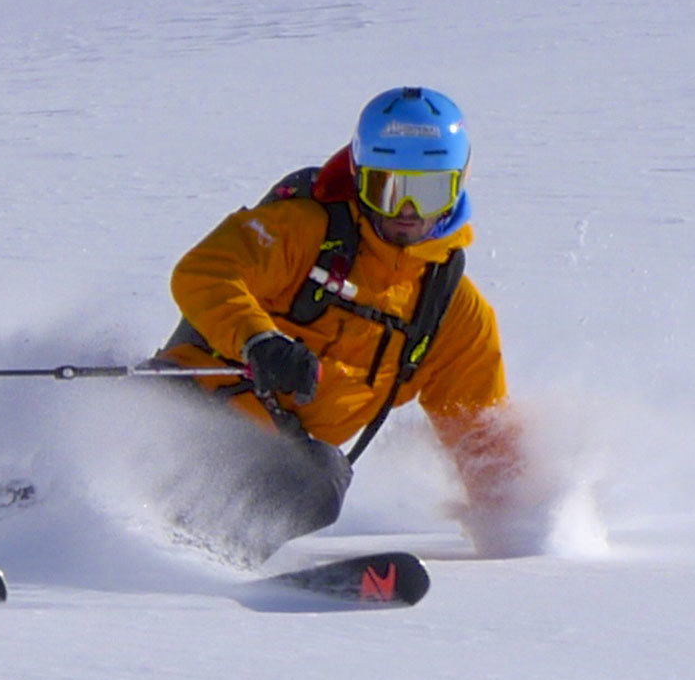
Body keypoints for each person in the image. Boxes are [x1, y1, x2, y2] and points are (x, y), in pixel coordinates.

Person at [148, 87, 517, 565]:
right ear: (360, 178)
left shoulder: (451, 312)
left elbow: (479, 433)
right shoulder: (304, 230)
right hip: (193, 400)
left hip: (279, 451)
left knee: (323, 481)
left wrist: (521, 527)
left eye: (426, 193)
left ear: (457, 187)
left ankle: (202, 556)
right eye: (387, 190)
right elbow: (204, 272)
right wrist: (260, 342)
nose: (406, 214)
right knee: (138, 433)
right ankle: (57, 505)